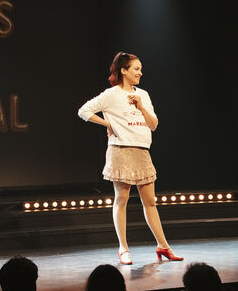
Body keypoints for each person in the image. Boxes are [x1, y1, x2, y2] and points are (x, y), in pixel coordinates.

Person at [77, 51, 181, 265]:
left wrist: (140, 106)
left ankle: (163, 246)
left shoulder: (143, 94)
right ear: (123, 70)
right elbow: (84, 111)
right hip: (121, 149)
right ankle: (123, 248)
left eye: (140, 69)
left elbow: (154, 125)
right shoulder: (111, 94)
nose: (140, 73)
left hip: (142, 150)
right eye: (136, 69)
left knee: (150, 202)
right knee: (121, 200)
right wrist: (108, 124)